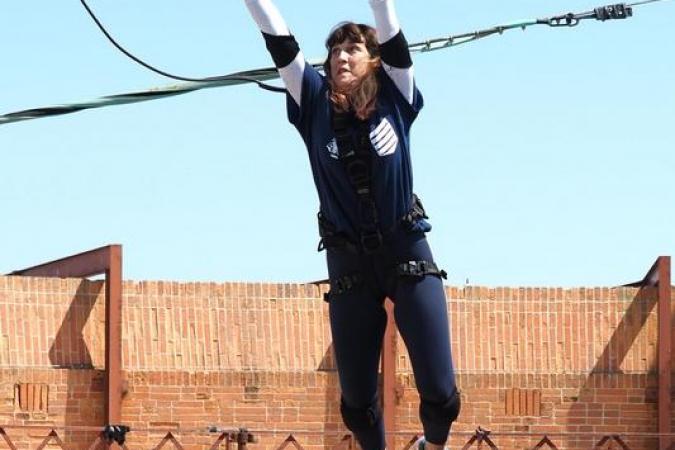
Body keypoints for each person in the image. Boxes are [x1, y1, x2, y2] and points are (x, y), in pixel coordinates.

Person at [243, 1, 460, 449]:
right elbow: (278, 37)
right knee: (356, 404)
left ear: (373, 59)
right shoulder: (312, 100)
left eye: (353, 48)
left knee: (441, 395)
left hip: (406, 252)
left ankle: (432, 446)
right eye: (335, 49)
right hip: (350, 265)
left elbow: (391, 28)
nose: (341, 56)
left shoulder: (397, 93)